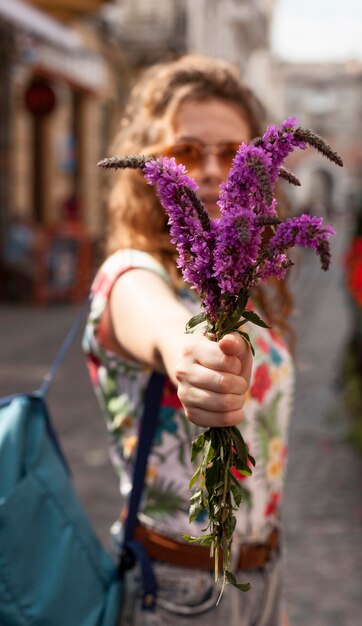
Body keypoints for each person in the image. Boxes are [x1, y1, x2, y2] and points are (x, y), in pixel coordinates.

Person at [83, 54, 294, 626]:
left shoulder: (243, 288)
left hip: (262, 578)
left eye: (230, 153)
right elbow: (164, 329)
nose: (207, 170)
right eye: (185, 151)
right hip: (177, 591)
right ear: (153, 166)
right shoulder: (130, 275)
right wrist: (193, 361)